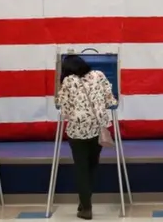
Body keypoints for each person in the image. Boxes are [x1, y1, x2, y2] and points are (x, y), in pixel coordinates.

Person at [54, 55, 117, 220]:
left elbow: (64, 109)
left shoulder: (68, 81)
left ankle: (86, 207)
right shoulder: (99, 75)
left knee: (81, 168)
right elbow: (110, 99)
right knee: (92, 165)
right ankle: (84, 202)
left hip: (78, 131)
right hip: (98, 129)